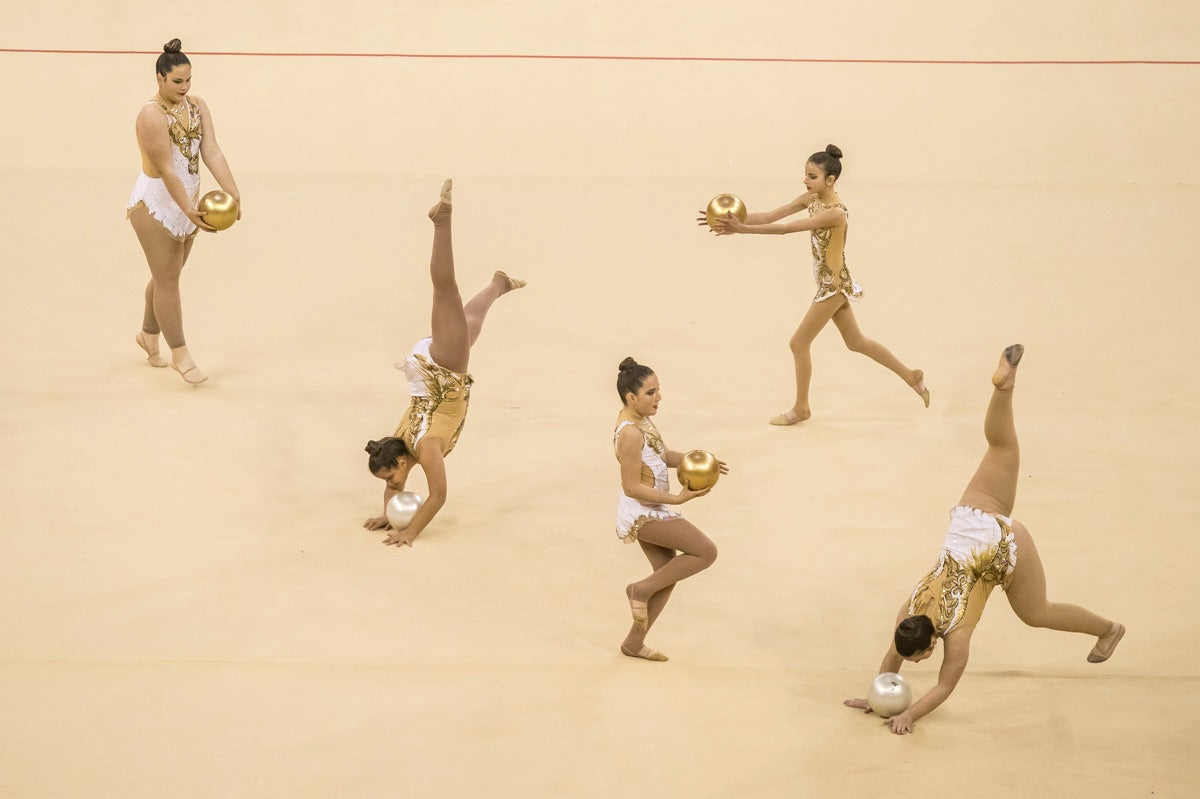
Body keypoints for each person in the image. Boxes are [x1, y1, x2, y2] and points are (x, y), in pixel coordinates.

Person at [843, 345, 1125, 733]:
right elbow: (894, 656)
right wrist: (878, 696)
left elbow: (945, 684)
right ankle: (1003, 389)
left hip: (1005, 546)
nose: (920, 662)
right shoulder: (908, 613)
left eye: (922, 657)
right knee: (1001, 446)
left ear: (931, 646)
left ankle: (1109, 629)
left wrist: (909, 714)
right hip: (973, 517)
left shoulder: (956, 633)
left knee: (1037, 613)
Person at [701, 145, 928, 425]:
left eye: (812, 176)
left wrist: (743, 231)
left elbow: (785, 229)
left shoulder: (835, 213)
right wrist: (732, 220)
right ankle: (911, 376)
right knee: (857, 342)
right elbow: (773, 216)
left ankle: (801, 409)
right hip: (832, 282)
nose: (806, 181)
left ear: (830, 180)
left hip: (832, 287)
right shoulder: (812, 199)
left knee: (798, 343)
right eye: (805, 175)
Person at [363, 180, 526, 548]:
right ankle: (499, 284)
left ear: (401, 464)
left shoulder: (426, 448)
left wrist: (409, 532)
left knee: (445, 288)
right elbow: (395, 487)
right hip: (432, 367)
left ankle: (442, 220)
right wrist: (388, 517)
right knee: (469, 322)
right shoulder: (396, 448)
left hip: (444, 368)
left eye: (391, 478)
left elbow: (438, 497)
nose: (392, 485)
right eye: (389, 481)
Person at [127, 38, 241, 385]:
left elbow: (212, 151)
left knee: (166, 274)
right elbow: (167, 170)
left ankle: (148, 334)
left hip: (187, 201)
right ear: (160, 78)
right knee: (168, 279)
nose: (185, 87)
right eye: (177, 82)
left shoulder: (197, 106)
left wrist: (233, 192)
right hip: (157, 204)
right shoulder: (150, 116)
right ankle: (180, 353)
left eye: (188, 80)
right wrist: (189, 211)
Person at [613, 358, 727, 661]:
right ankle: (638, 590)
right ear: (631, 398)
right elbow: (630, 487)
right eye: (651, 393)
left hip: (653, 505)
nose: (658, 398)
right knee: (705, 552)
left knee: (666, 574)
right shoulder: (629, 434)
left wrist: (696, 459)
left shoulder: (642, 420)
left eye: (658, 390)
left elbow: (661, 455)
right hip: (643, 512)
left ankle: (633, 644)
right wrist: (677, 499)